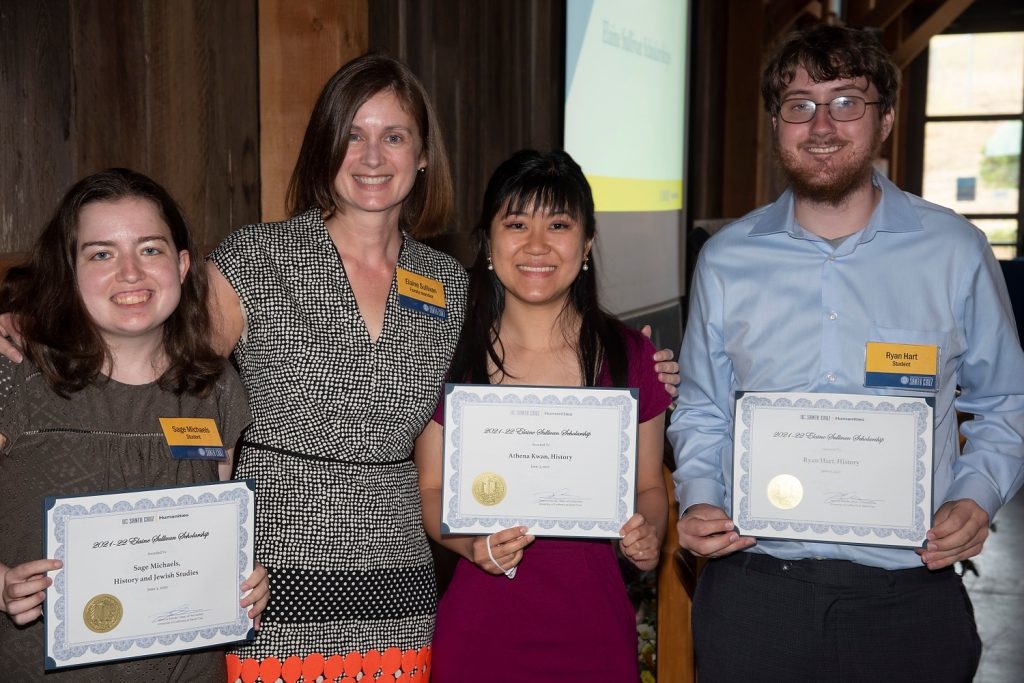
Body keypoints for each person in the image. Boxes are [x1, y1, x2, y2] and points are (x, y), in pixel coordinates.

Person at [0, 55, 678, 680]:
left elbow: (532, 354)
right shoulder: (255, 260)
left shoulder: (450, 284)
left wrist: (645, 370)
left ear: (422, 156)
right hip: (267, 586)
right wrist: (37, 319)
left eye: (394, 136)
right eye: (353, 135)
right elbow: (150, 345)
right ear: (325, 146)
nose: (373, 156)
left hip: (400, 589)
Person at [668, 24, 1024, 682]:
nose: (822, 125)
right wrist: (698, 498)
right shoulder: (726, 260)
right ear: (776, 125)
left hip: (909, 596)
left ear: (884, 119)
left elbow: (1007, 401)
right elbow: (702, 409)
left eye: (846, 102)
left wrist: (977, 496)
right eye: (799, 104)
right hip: (754, 593)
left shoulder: (955, 252)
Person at [0, 168, 268, 681]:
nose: (130, 273)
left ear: (182, 265)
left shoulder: (216, 386)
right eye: (101, 254)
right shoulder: (18, 373)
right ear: (69, 270)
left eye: (149, 249)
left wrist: (243, 580)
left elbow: (215, 525)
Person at [415, 149, 671, 682]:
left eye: (558, 224)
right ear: (488, 242)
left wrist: (649, 533)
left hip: (594, 629)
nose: (537, 245)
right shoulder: (448, 353)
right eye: (516, 224)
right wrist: (472, 545)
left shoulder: (631, 357)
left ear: (587, 243)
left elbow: (650, 485)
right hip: (480, 630)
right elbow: (431, 490)